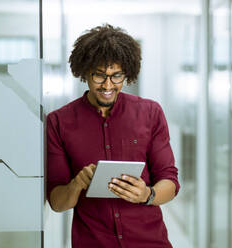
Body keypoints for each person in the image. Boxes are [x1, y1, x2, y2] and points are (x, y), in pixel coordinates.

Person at [46, 24, 180, 248]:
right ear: (84, 73)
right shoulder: (59, 122)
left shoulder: (150, 113)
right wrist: (77, 184)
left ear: (127, 73)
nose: (108, 85)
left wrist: (147, 194)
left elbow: (170, 182)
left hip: (149, 242)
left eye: (116, 76)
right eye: (99, 76)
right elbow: (57, 202)